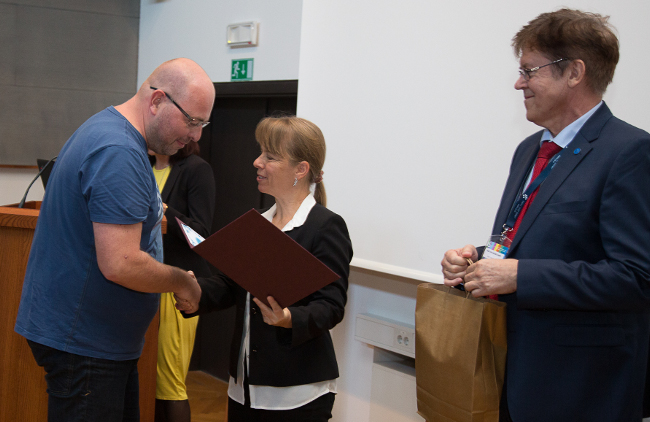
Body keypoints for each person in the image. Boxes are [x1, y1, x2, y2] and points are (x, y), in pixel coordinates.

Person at [440, 9, 650, 422]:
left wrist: (519, 276)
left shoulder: (629, 152)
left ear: (574, 72)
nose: (519, 83)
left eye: (529, 71)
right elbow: (526, 240)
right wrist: (478, 260)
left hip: (583, 389)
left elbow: (636, 277)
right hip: (512, 373)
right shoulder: (530, 149)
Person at [14, 58, 215, 421]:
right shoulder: (118, 151)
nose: (196, 136)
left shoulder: (118, 137)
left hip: (99, 344)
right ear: (157, 101)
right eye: (192, 121)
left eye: (203, 124)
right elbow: (120, 263)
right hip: (86, 345)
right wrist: (181, 281)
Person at [178, 116, 353, 422]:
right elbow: (233, 285)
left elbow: (331, 306)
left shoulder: (326, 227)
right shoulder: (258, 222)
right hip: (243, 385)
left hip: (296, 391)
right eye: (260, 153)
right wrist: (197, 292)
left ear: (301, 169)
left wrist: (288, 319)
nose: (257, 162)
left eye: (270, 157)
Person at [150, 142, 216, 422]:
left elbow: (200, 235)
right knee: (148, 379)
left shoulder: (197, 170)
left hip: (178, 285)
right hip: (146, 280)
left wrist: (165, 209)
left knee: (169, 383)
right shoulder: (144, 166)